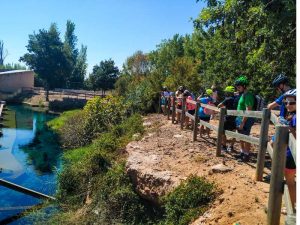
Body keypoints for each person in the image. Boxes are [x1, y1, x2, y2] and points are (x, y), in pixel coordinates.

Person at [273, 89, 296, 209]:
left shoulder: (296, 117)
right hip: (289, 153)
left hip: (291, 154)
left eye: (292, 103)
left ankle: (292, 207)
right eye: (286, 103)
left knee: (290, 182)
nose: (288, 105)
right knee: (289, 181)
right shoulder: (292, 115)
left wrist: (287, 128)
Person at [234, 76, 255, 162]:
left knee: (245, 136)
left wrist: (243, 122)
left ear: (244, 86)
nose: (238, 89)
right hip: (240, 118)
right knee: (240, 136)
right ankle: (242, 152)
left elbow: (248, 110)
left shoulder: (248, 96)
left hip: (246, 120)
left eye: (239, 87)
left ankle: (246, 155)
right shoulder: (242, 95)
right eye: (237, 87)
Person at [217, 86, 240, 152]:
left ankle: (224, 146)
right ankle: (231, 146)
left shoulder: (227, 99)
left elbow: (219, 105)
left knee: (222, 132)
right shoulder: (238, 98)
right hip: (235, 118)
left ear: (228, 93)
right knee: (234, 133)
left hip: (227, 118)